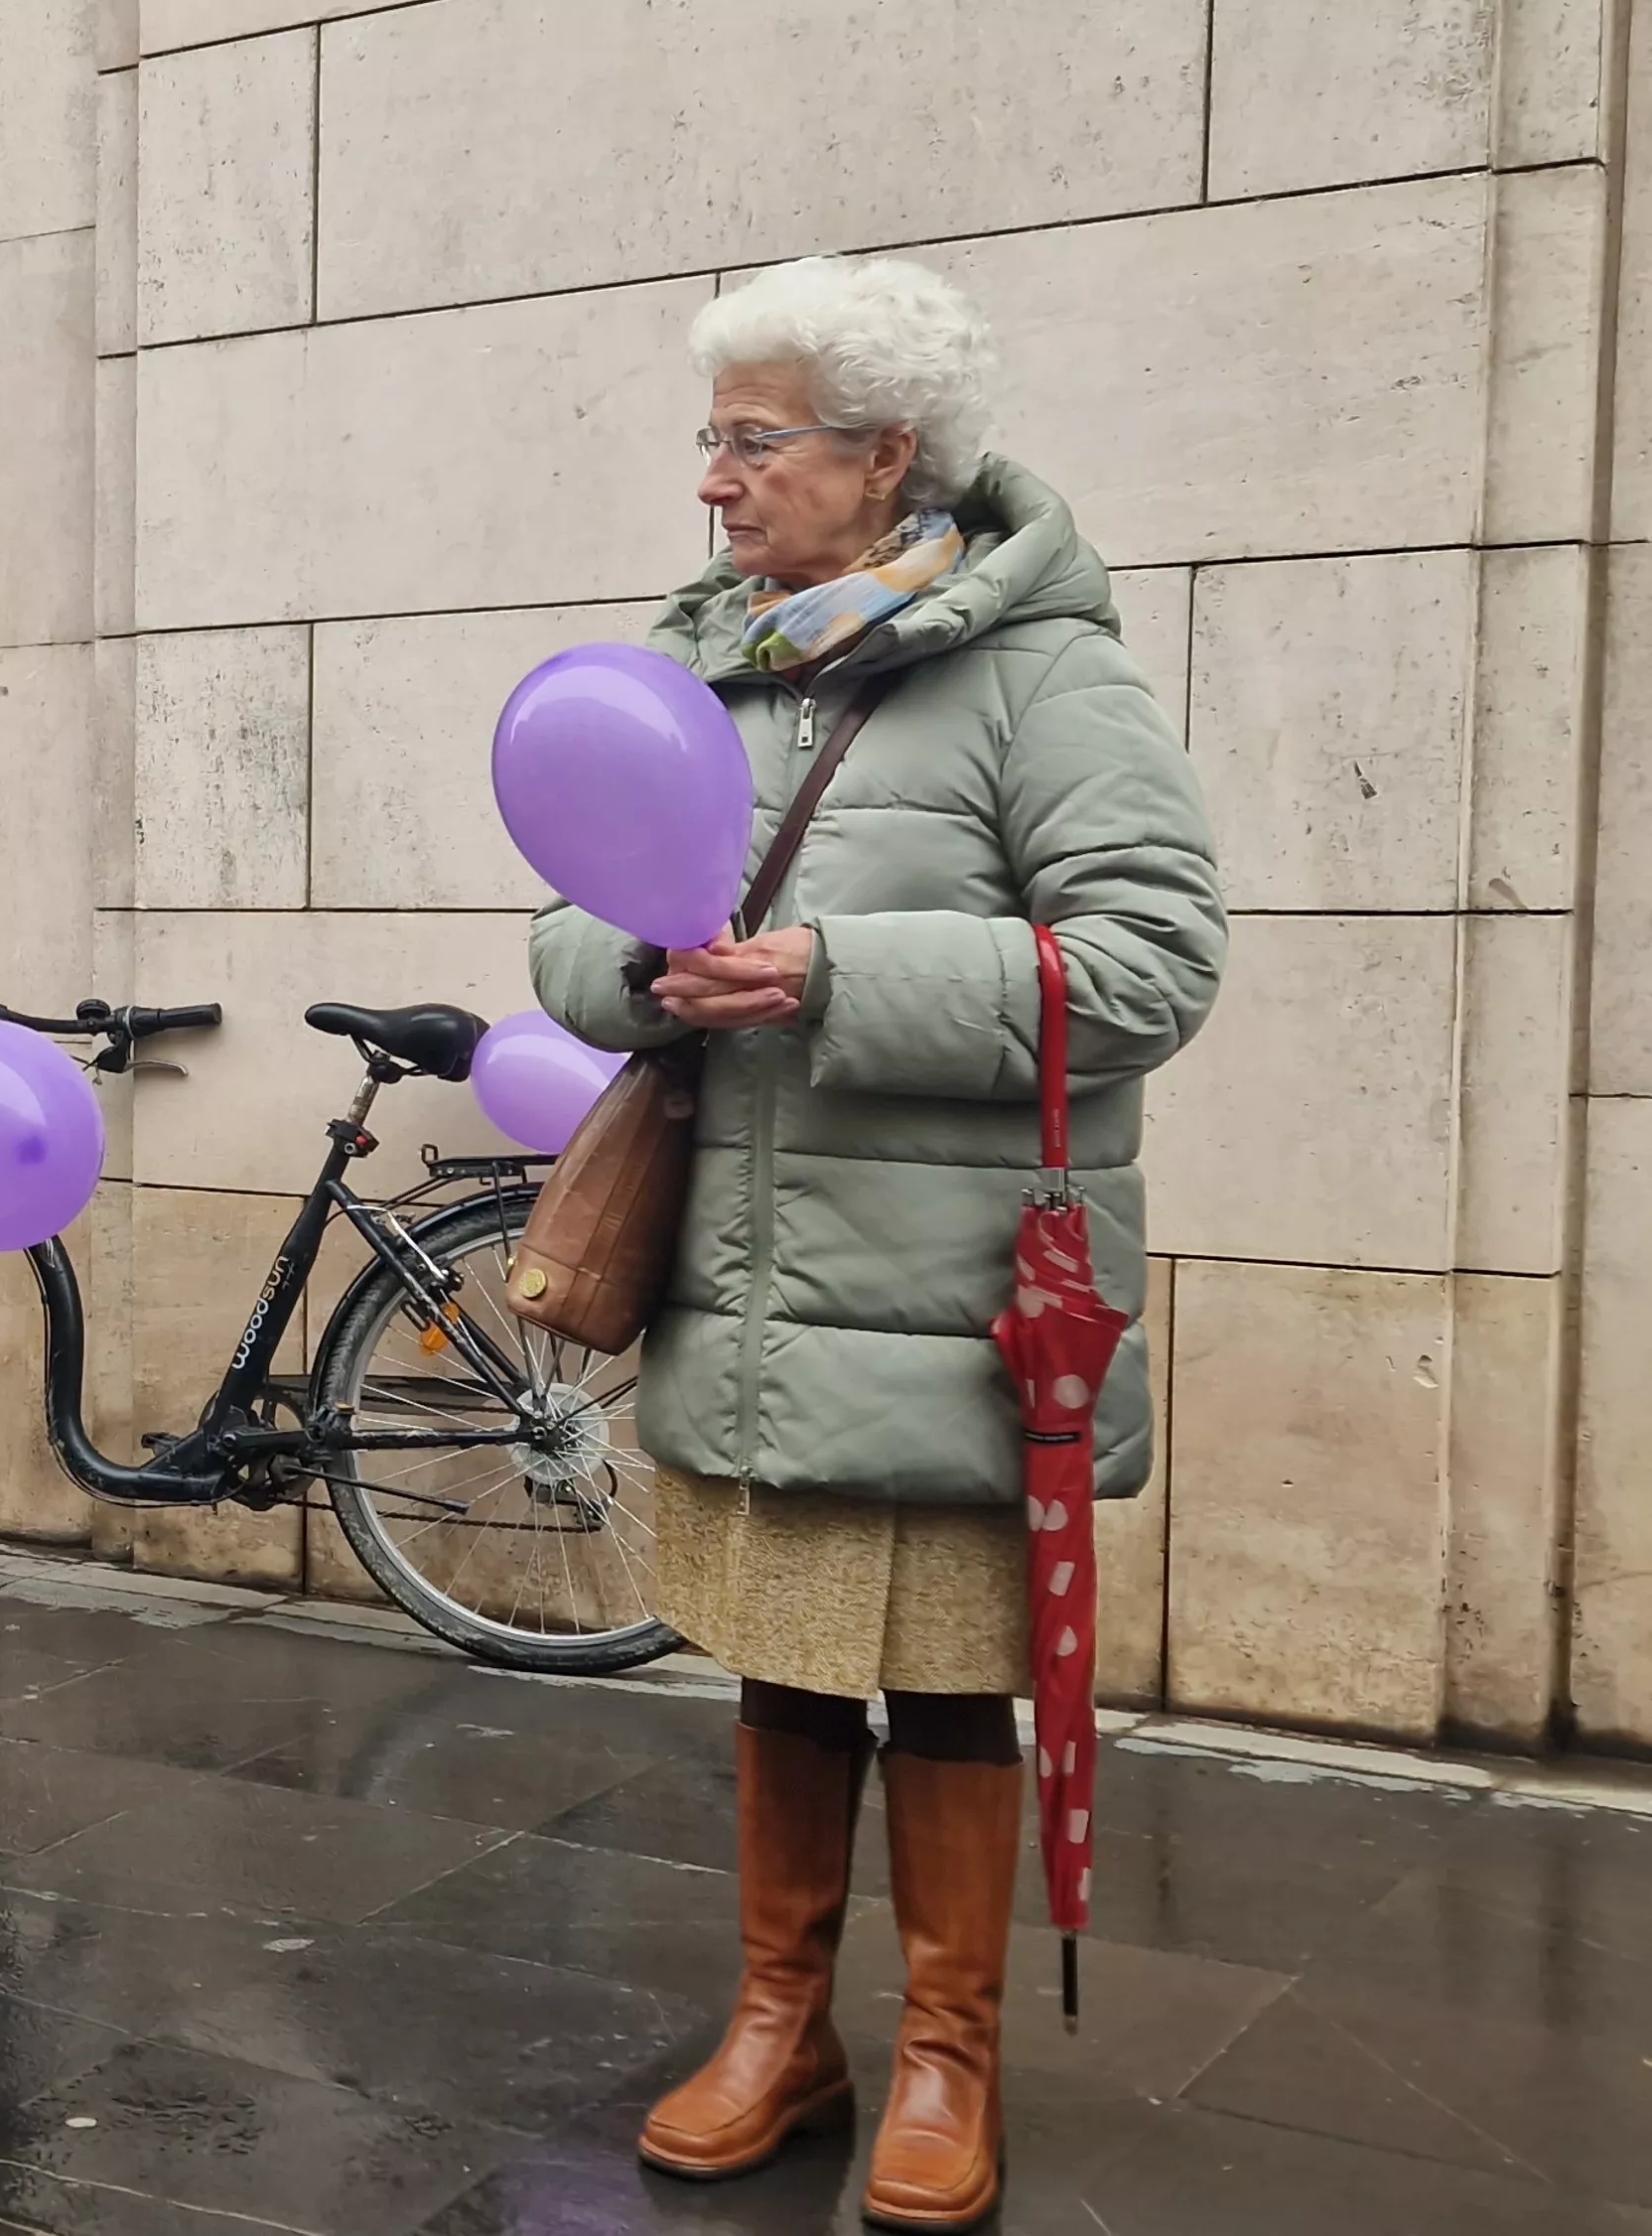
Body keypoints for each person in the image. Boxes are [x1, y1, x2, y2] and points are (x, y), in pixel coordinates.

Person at [529, 257, 1223, 2232]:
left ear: (886, 453)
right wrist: (654, 973)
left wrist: (831, 974)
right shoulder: (703, 661)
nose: (713, 484)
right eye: (711, 437)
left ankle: (944, 2051)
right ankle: (777, 2025)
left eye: (751, 440)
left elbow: (1155, 962)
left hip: (938, 1305)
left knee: (932, 1684)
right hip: (746, 1289)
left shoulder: (1040, 674)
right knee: (782, 1669)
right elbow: (571, 931)